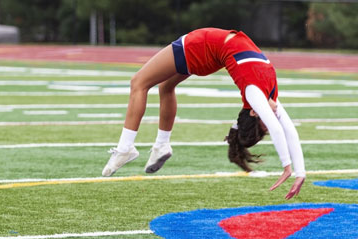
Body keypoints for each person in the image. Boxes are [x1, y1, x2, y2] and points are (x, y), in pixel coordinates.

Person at [102, 28, 305, 200]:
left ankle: (125, 148)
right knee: (166, 86)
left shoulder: (254, 94)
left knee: (138, 83)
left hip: (201, 47)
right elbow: (289, 130)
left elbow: (279, 130)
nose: (273, 116)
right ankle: (161, 144)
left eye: (265, 122)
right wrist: (300, 173)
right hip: (210, 53)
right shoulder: (271, 97)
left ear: (253, 112)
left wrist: (287, 167)